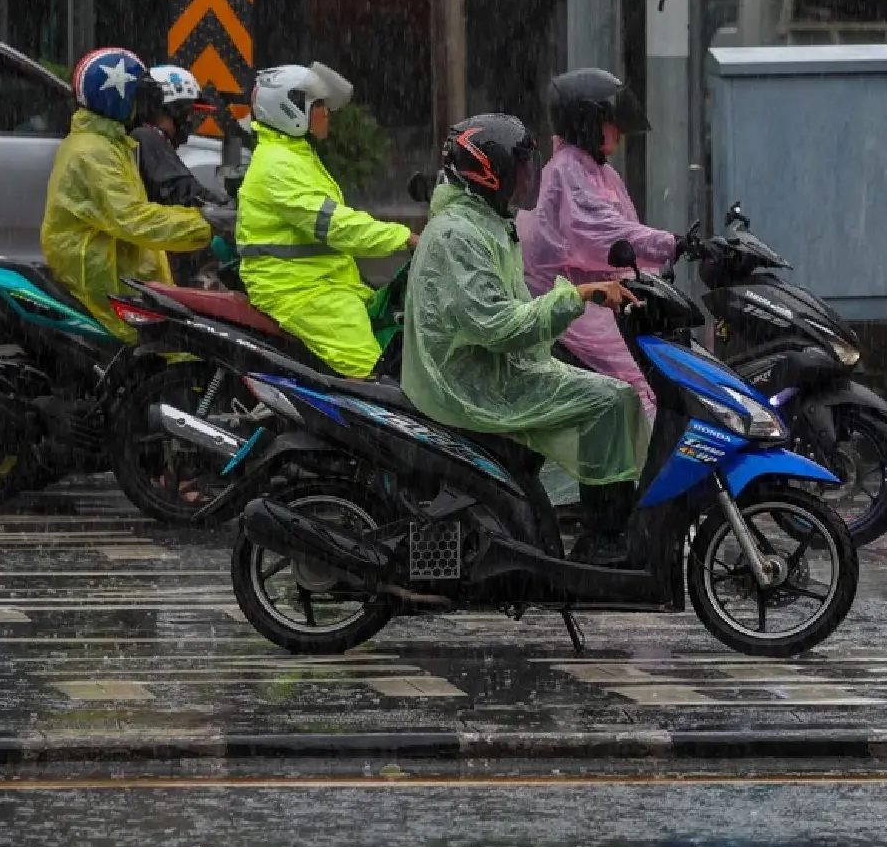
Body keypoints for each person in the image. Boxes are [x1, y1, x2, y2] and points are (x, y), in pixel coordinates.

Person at [402, 114, 650, 567]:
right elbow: (499, 326)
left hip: (489, 366)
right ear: (489, 171)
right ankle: (608, 540)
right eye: (518, 168)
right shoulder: (461, 234)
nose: (526, 178)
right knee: (611, 401)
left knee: (590, 381)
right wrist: (578, 296)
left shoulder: (485, 222)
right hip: (472, 383)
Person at [235, 62, 415, 378]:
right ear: (289, 110)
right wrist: (406, 239)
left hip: (323, 284)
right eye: (317, 104)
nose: (326, 112)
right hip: (301, 292)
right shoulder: (279, 165)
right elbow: (336, 226)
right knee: (373, 382)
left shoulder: (295, 154)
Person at [517, 68, 677, 417]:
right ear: (588, 121)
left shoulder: (595, 170)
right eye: (611, 120)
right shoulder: (567, 172)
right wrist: (672, 245)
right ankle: (646, 468)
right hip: (575, 308)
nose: (619, 130)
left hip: (597, 299)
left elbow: (622, 228)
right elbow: (602, 235)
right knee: (642, 382)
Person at [40, 47, 221, 341]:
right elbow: (133, 218)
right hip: (104, 285)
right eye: (140, 96)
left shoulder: (112, 145)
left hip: (117, 277)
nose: (147, 106)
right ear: (120, 99)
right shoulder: (93, 152)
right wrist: (208, 224)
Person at [132, 65, 228, 208]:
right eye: (188, 114)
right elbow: (183, 192)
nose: (190, 121)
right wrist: (224, 209)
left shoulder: (139, 137)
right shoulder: (147, 138)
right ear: (173, 110)